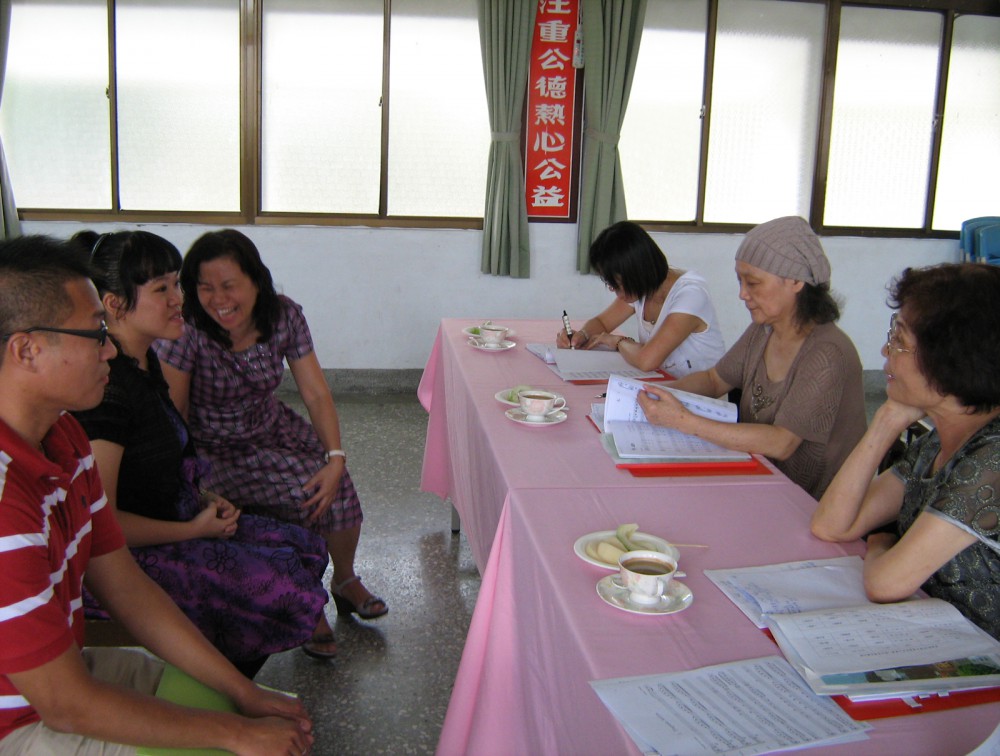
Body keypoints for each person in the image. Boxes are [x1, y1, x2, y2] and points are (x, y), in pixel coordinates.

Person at [0, 235, 313, 755]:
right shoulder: (5, 503)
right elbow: (66, 706)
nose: (108, 348)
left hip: (63, 676)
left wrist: (245, 693)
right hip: (19, 723)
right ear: (27, 350)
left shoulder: (64, 437)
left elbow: (125, 585)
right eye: (95, 333)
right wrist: (238, 734)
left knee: (239, 706)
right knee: (232, 741)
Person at [70, 230, 338, 667]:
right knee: (283, 588)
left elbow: (164, 462)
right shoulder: (109, 391)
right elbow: (101, 524)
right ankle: (224, 686)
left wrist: (205, 497)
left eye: (177, 284)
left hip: (177, 517)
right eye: (162, 289)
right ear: (115, 304)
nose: (180, 299)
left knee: (306, 549)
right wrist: (193, 530)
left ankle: (227, 674)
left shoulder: (144, 361)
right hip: (127, 558)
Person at [155, 229, 386, 634]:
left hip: (270, 427)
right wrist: (189, 478)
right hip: (211, 446)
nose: (219, 299)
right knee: (295, 497)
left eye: (229, 285)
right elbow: (174, 415)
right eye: (206, 287)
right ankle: (303, 602)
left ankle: (344, 580)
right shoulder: (187, 329)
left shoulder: (283, 315)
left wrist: (335, 457)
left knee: (335, 486)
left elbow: (315, 392)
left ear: (256, 281)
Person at [812, 263, 1000, 639]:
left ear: (951, 360)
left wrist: (882, 540)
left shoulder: (991, 459)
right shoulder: (940, 438)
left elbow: (885, 583)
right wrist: (886, 420)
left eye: (898, 341)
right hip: (937, 633)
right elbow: (832, 525)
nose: (885, 350)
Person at [637, 216, 866, 499]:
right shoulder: (764, 330)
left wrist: (683, 420)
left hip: (809, 502)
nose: (742, 294)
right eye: (740, 281)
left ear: (796, 281)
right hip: (758, 476)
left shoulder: (827, 353)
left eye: (753, 283)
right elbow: (714, 380)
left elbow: (782, 442)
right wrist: (649, 392)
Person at [556, 221, 725, 377]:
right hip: (664, 384)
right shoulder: (643, 288)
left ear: (637, 273)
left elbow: (647, 360)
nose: (613, 291)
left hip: (699, 395)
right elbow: (602, 323)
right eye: (610, 284)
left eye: (617, 285)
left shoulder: (690, 295)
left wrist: (618, 342)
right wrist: (583, 335)